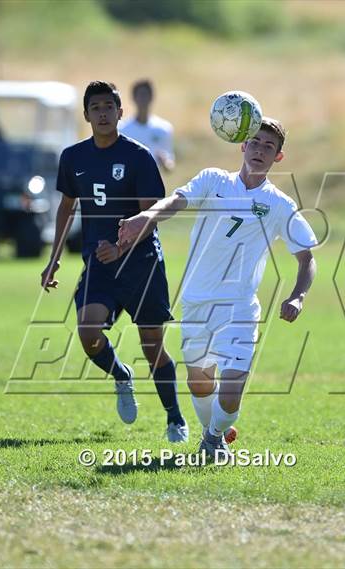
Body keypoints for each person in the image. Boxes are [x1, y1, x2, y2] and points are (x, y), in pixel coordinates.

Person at [118, 117, 317, 460]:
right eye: (254, 142)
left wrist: (298, 296)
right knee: (199, 382)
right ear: (242, 146)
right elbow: (175, 202)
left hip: (239, 307)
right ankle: (219, 433)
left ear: (278, 158)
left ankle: (212, 438)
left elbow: (306, 258)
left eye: (268, 147)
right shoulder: (212, 180)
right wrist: (145, 217)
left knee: (231, 390)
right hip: (197, 302)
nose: (259, 150)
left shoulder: (280, 205)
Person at [40, 81, 188, 443]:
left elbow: (151, 213)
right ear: (87, 114)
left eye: (110, 106)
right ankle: (122, 375)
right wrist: (54, 259)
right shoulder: (73, 157)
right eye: (96, 107)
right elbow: (66, 208)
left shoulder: (139, 156)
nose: (103, 113)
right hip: (100, 265)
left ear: (120, 113)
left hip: (142, 264)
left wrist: (121, 248)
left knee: (152, 345)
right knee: (89, 334)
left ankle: (175, 419)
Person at [120, 79, 175, 172]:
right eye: (140, 95)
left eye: (145, 95)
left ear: (151, 97)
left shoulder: (163, 129)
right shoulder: (122, 129)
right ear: (133, 98)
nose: (143, 99)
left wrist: (165, 162)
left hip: (153, 183)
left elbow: (170, 165)